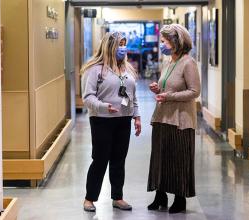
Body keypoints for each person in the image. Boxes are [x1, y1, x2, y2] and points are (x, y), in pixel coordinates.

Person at [81, 31, 141, 212]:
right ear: (109, 47)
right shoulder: (95, 69)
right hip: (102, 120)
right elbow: (87, 97)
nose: (123, 48)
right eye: (119, 45)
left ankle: (118, 197)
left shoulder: (127, 69)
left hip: (123, 120)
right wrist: (103, 106)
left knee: (118, 160)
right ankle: (89, 198)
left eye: (124, 44)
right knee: (100, 160)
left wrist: (136, 116)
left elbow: (132, 96)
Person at [147, 24, 201, 214]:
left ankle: (180, 199)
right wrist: (158, 89)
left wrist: (169, 96)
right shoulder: (169, 62)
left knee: (179, 159)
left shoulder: (188, 63)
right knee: (160, 158)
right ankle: (160, 195)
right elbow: (167, 88)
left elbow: (194, 92)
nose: (162, 44)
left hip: (181, 121)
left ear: (175, 42)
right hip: (163, 117)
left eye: (164, 41)